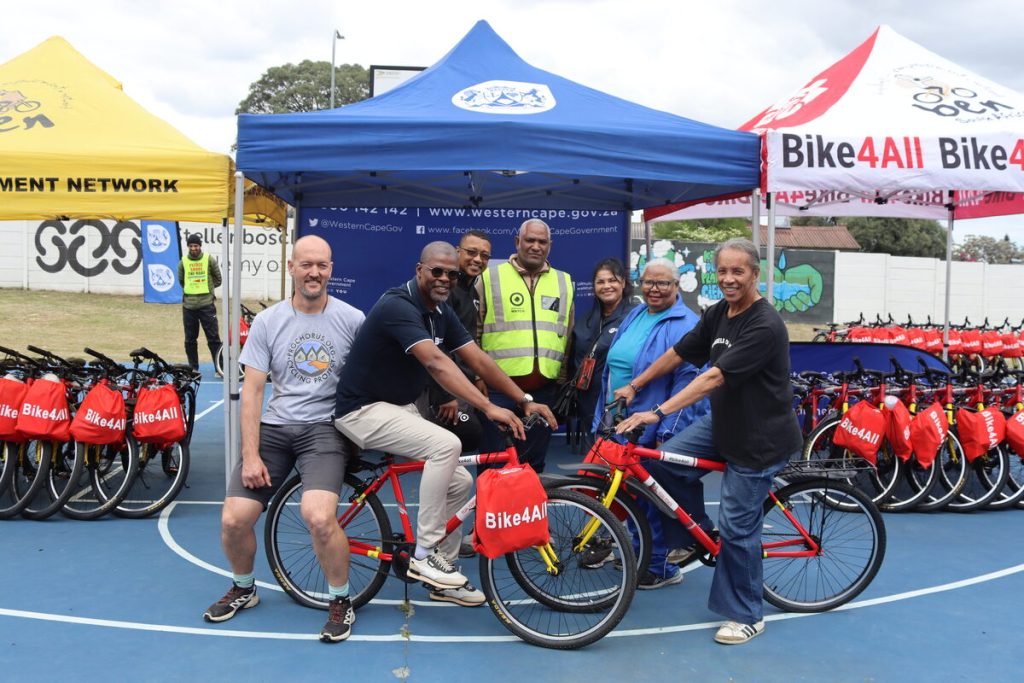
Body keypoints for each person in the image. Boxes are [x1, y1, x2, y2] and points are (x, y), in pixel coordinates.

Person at [334, 241, 557, 607]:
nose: (444, 278)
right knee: (447, 445)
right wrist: (487, 407)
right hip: (361, 410)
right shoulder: (397, 305)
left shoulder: (440, 312)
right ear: (419, 269)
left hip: (396, 406)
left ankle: (444, 574)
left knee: (460, 480)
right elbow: (437, 363)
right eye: (436, 271)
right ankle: (423, 556)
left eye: (451, 274)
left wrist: (524, 400)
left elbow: (478, 359)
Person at [614, 238, 802, 646]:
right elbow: (680, 353)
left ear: (755, 274)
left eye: (738, 271)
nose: (730, 279)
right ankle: (697, 535)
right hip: (725, 423)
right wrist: (635, 385)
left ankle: (748, 613)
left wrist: (657, 411)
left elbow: (713, 378)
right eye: (723, 271)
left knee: (737, 526)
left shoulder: (764, 324)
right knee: (661, 465)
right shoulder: (719, 313)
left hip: (760, 438)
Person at [203, 235, 365, 643]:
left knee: (318, 517)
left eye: (322, 265)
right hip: (276, 430)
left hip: (324, 431)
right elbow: (253, 392)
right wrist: (251, 454)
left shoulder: (352, 319)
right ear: (290, 267)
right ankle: (244, 588)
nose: (314, 272)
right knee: (233, 518)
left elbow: (367, 381)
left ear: (331, 270)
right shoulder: (268, 321)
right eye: (306, 264)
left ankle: (341, 600)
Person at [594, 258, 708, 589]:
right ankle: (640, 552)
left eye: (662, 284)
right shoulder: (636, 313)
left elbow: (687, 384)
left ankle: (657, 565)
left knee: (648, 499)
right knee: (628, 495)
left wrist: (668, 431)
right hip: (618, 421)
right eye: (648, 282)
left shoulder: (686, 324)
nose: (654, 289)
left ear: (676, 287)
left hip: (649, 425)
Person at [476, 218, 573, 472]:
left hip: (543, 391)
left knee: (532, 468)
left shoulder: (564, 282)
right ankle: (491, 514)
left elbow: (567, 334)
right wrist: (477, 377)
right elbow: (473, 332)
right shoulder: (489, 277)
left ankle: (528, 513)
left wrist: (559, 380)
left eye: (542, 242)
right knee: (495, 467)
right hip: (498, 392)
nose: (535, 246)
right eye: (530, 240)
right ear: (517, 242)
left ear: (549, 246)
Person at [418, 230, 493, 452]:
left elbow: (466, 340)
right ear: (457, 252)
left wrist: (477, 376)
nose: (478, 259)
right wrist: (445, 394)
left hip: (463, 385)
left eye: (485, 255)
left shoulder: (472, 292)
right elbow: (434, 345)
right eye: (471, 252)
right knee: (443, 451)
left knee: (456, 453)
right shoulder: (445, 290)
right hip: (444, 389)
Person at [565, 257, 634, 451]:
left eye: (612, 280)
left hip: (620, 405)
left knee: (617, 458)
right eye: (600, 281)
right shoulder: (585, 320)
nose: (607, 286)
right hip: (588, 405)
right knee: (592, 460)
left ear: (623, 283)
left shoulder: (635, 317)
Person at [178, 232, 223, 375]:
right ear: (188, 247)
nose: (193, 248)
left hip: (206, 305)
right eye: (191, 246)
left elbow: (218, 279)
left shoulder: (209, 260)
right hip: (189, 306)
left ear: (200, 246)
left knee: (213, 338)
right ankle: (193, 367)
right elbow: (182, 281)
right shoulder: (183, 262)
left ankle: (219, 368)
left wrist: (208, 291)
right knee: (190, 339)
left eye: (196, 246)